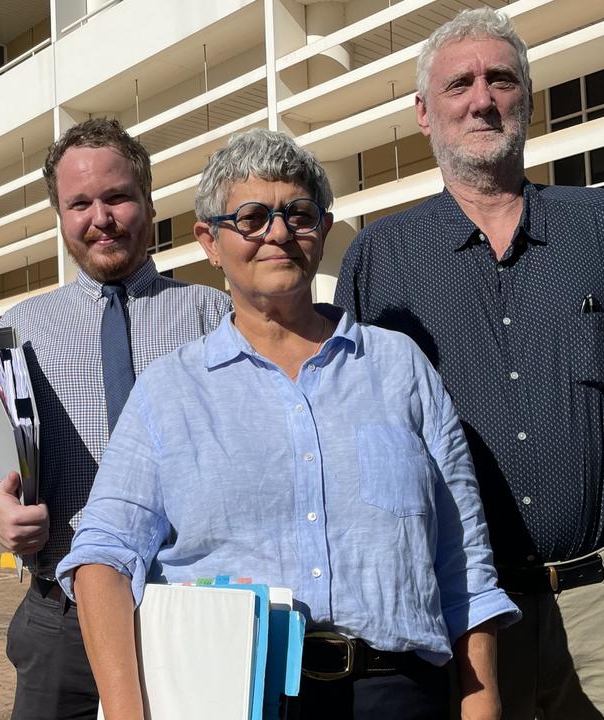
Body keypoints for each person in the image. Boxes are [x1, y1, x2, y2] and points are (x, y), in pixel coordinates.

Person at [57, 128, 519, 720]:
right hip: (234, 693)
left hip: (398, 693)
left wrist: (481, 707)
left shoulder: (399, 367)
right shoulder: (171, 391)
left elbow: (464, 565)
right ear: (209, 241)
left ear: (323, 231)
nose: (277, 233)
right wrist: (128, 713)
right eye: (250, 217)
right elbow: (102, 556)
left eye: (297, 214)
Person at [335, 8, 604, 720]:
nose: (482, 98)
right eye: (459, 84)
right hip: (456, 616)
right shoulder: (378, 261)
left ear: (525, 99)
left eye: (501, 79)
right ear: (423, 112)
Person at [0, 118, 232, 720]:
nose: (100, 217)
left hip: (185, 608)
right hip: (61, 618)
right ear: (61, 215)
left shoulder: (213, 314)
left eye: (117, 197)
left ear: (148, 203)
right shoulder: (26, 326)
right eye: (80, 203)